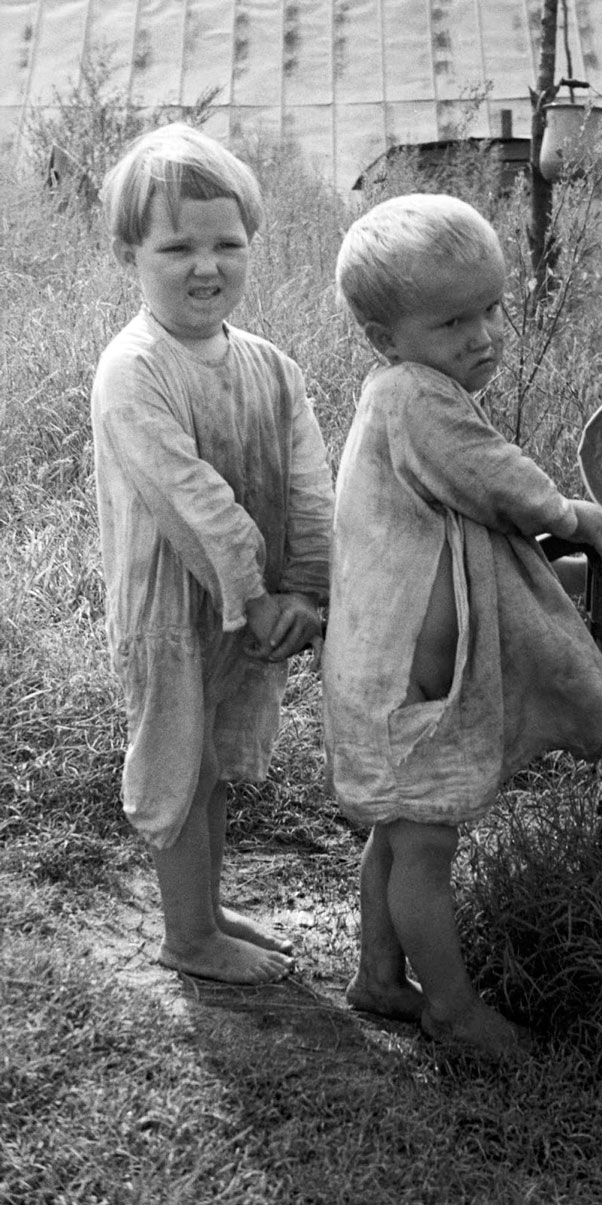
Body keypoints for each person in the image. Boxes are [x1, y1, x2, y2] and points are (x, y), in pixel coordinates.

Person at [323, 192, 602, 1056]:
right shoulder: (418, 399)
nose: (484, 334)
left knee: (401, 829)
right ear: (387, 337)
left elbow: (457, 499)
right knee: (425, 847)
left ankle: (379, 975)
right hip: (409, 685)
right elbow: (490, 475)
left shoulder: (403, 389)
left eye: (494, 307)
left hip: (387, 672)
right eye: (454, 319)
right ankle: (453, 1011)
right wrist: (567, 514)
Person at [91, 123, 333, 985]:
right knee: (180, 764)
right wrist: (256, 594)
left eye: (226, 243)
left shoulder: (272, 365)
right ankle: (186, 938)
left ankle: (207, 907)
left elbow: (309, 483)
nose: (207, 265)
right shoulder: (135, 370)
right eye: (177, 245)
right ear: (132, 253)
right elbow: (195, 503)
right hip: (171, 606)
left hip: (251, 603)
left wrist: (305, 585)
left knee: (220, 761)